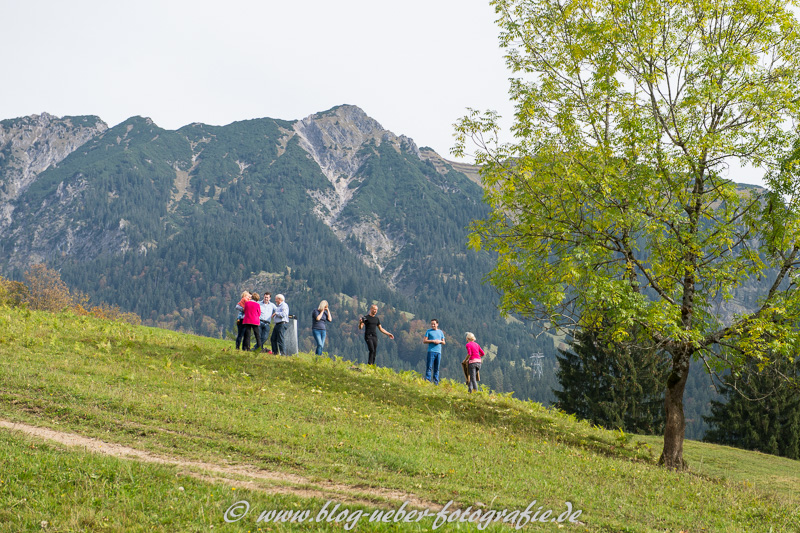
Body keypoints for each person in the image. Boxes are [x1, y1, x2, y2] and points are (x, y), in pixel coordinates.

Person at [423, 319, 446, 384]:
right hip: (431, 351)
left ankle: (436, 382)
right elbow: (424, 341)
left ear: (437, 324)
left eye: (434, 324)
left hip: (438, 352)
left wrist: (440, 341)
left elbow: (444, 342)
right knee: (429, 367)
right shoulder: (428, 331)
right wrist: (433, 341)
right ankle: (428, 381)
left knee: (437, 368)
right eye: (432, 324)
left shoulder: (440, 332)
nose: (433, 325)